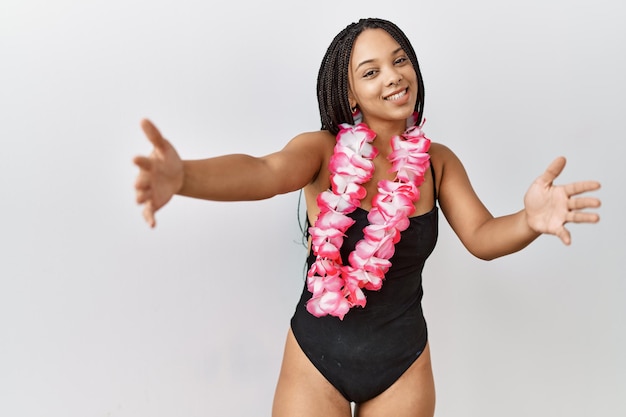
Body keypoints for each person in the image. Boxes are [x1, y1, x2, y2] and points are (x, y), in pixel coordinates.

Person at [133, 17, 601, 417]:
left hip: (403, 364)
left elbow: (481, 236)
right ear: (351, 94)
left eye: (400, 61)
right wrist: (184, 178)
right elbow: (263, 171)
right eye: (371, 71)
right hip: (316, 357)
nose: (394, 76)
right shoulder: (321, 151)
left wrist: (529, 220)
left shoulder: (438, 162)